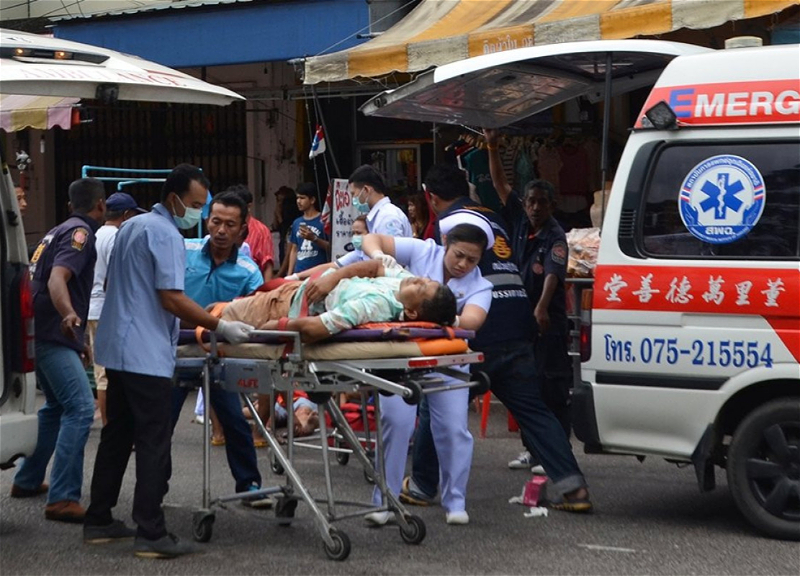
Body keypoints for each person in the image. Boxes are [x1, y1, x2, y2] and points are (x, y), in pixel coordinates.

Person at [83, 164, 255, 559]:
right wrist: (220, 326)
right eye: (195, 205)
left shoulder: (132, 227)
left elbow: (117, 285)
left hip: (119, 345)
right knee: (153, 440)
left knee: (117, 436)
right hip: (145, 352)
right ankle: (151, 531)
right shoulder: (164, 234)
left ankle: (99, 519)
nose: (197, 213)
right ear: (173, 197)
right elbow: (171, 298)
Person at [400, 163, 593, 514]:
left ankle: (423, 486)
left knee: (436, 400)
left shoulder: (451, 228)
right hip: (518, 322)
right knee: (534, 410)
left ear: (433, 199)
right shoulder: (494, 218)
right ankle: (573, 488)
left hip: (479, 328)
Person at [358, 211, 494, 525]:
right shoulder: (422, 251)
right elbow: (371, 239)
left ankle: (455, 500)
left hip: (447, 361)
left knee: (452, 429)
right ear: (445, 242)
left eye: (472, 260)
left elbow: (473, 321)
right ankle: (385, 501)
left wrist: (437, 317)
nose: (463, 265)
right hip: (400, 357)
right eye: (459, 255)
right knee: (395, 422)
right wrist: (381, 257)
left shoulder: (480, 285)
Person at [10, 178, 106, 523]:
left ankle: (27, 478)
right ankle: (63, 498)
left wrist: (74, 339)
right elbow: (56, 279)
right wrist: (69, 316)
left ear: (70, 204)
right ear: (100, 205)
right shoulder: (80, 234)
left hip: (42, 333)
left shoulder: (58, 229)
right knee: (81, 408)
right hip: (52, 332)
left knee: (54, 408)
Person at [171, 190, 269, 505]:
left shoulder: (248, 271)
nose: (221, 231)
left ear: (244, 228)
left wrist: (229, 308)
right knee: (159, 424)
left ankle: (250, 486)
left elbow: (257, 312)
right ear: (206, 221)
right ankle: (154, 489)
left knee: (236, 423)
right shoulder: (183, 252)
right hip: (176, 352)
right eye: (216, 222)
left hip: (221, 356)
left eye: (230, 224)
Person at [485, 128, 575, 472]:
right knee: (525, 385)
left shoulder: (555, 234)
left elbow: (553, 272)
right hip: (523, 321)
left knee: (552, 385)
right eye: (531, 201)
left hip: (547, 322)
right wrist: (492, 146)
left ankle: (555, 448)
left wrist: (540, 307)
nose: (535, 207)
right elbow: (499, 185)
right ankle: (531, 448)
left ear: (552, 205)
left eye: (541, 202)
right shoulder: (522, 221)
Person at [222, 258, 456, 343]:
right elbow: (375, 266)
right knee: (219, 309)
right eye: (426, 279)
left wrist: (275, 328)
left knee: (218, 318)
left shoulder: (373, 306)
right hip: (296, 289)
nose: (419, 279)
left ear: (412, 313)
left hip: (284, 306)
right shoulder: (403, 283)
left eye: (422, 286)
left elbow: (314, 329)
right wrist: (333, 278)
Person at [87, 193, 147, 427]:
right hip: (108, 310)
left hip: (93, 308)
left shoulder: (96, 234)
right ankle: (111, 426)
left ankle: (108, 424)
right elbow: (114, 280)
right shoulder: (117, 237)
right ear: (126, 215)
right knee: (112, 374)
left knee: (102, 371)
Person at [227, 184, 275, 280]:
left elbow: (267, 265)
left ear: (248, 206)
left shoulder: (261, 231)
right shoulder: (224, 227)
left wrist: (266, 293)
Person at [286, 183, 329, 275]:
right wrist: (289, 274)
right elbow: (294, 249)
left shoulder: (324, 220)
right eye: (297, 198)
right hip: (299, 273)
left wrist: (314, 238)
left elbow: (331, 247)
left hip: (318, 273)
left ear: (312, 200)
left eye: (302, 198)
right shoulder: (297, 222)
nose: (298, 201)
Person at [274, 186, 300, 277]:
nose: (278, 204)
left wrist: (280, 274)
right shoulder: (285, 223)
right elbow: (276, 225)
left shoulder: (293, 225)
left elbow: (289, 254)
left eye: (280, 202)